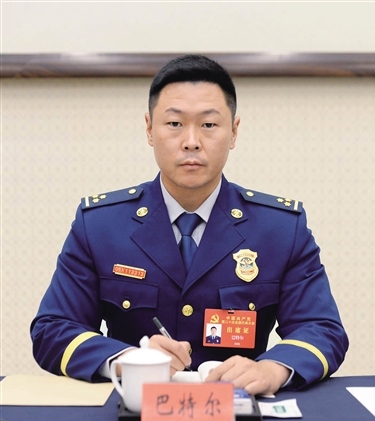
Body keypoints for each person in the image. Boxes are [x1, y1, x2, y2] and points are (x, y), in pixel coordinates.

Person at [31, 54, 349, 396]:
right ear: (149, 130)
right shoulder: (100, 226)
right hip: (134, 408)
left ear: (233, 132)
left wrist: (272, 369)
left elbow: (322, 329)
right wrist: (127, 360)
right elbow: (53, 329)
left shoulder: (280, 229)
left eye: (209, 125)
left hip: (237, 407)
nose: (191, 141)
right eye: (174, 124)